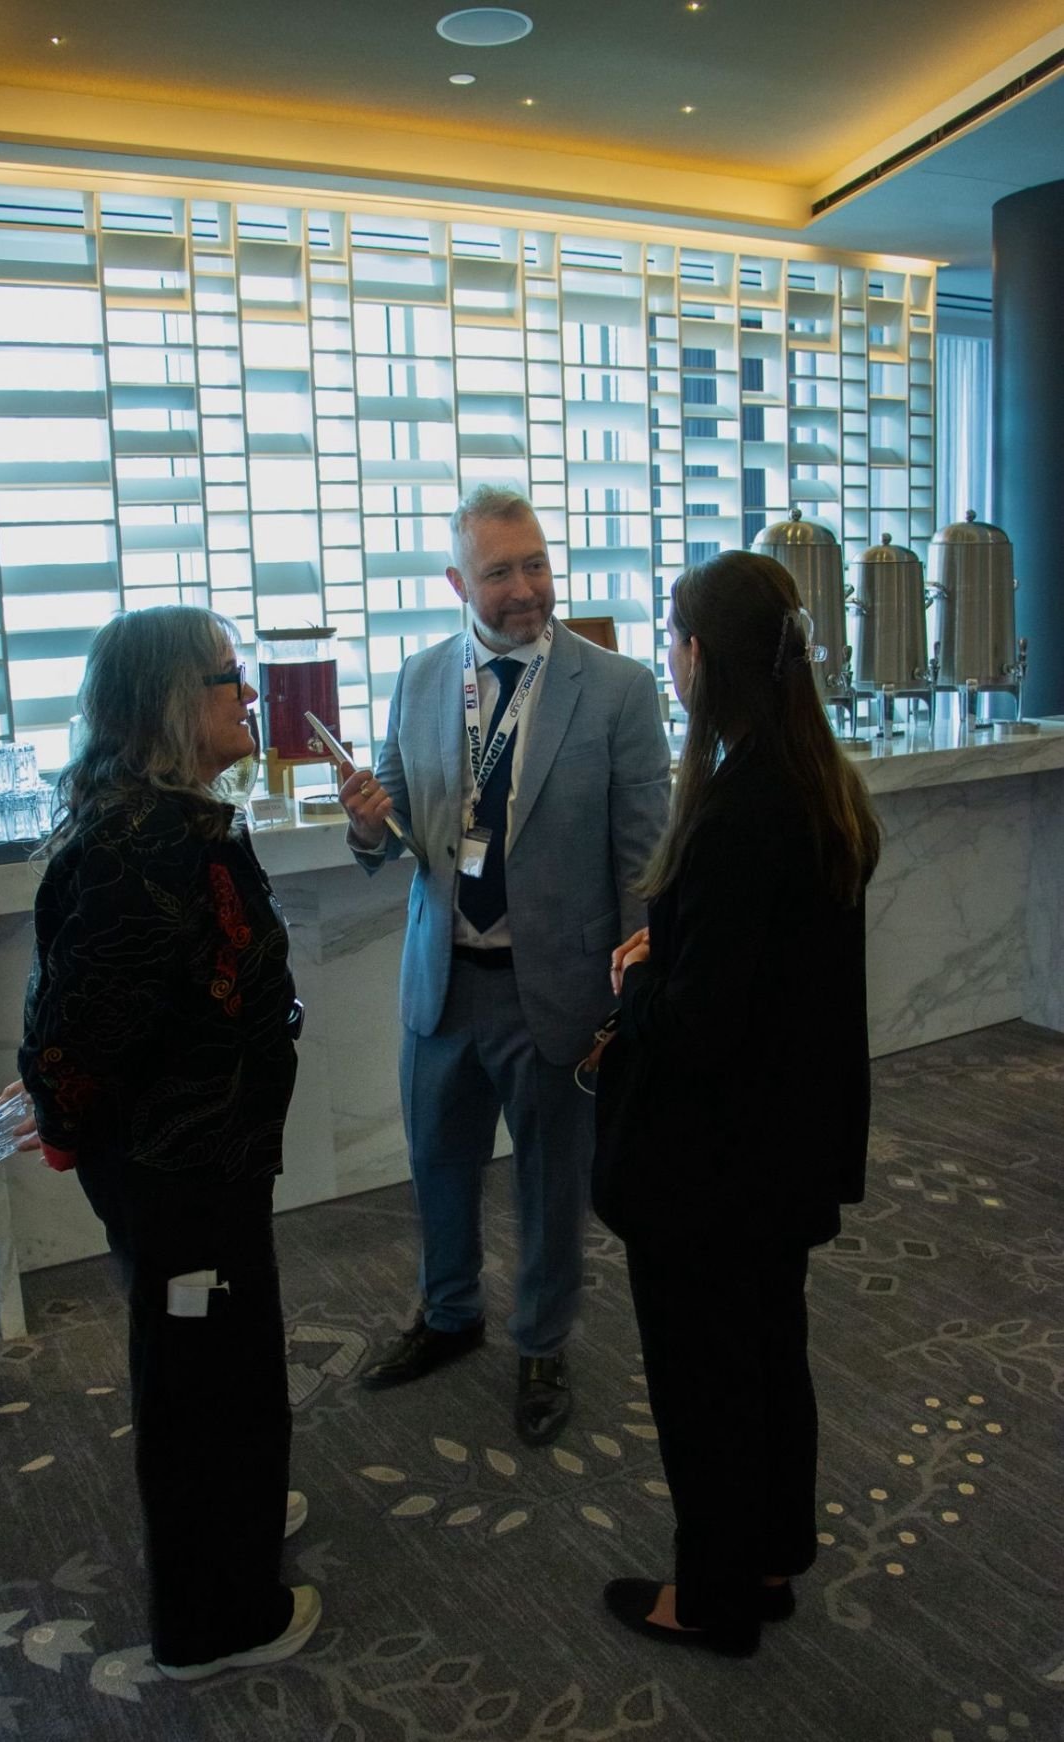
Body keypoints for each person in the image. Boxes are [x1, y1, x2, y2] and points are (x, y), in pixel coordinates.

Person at [14, 605, 320, 1680]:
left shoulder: (170, 822)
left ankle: (233, 1520)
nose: (249, 693)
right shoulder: (141, 847)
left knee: (224, 1355)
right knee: (200, 1367)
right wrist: (63, 1128)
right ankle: (212, 1617)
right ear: (166, 706)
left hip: (208, 1170)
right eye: (227, 677)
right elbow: (74, 1034)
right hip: (180, 1184)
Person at [592, 550, 880, 1655]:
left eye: (674, 638)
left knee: (702, 1376)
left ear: (700, 653)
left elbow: (703, 1020)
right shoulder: (815, 783)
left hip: (712, 1161)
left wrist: (640, 977)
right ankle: (765, 1554)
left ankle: (711, 1598)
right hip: (788, 1145)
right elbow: (767, 966)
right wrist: (672, 941)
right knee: (768, 1351)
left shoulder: (734, 805)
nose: (669, 657)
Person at [339, 485, 670, 1446]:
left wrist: (637, 988)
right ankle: (449, 1317)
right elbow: (395, 821)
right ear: (457, 581)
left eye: (535, 564)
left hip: (556, 988)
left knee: (548, 1181)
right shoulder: (420, 677)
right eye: (499, 572)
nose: (525, 588)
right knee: (436, 1166)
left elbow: (642, 856)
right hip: (441, 980)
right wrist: (367, 820)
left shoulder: (616, 688)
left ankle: (540, 1340)